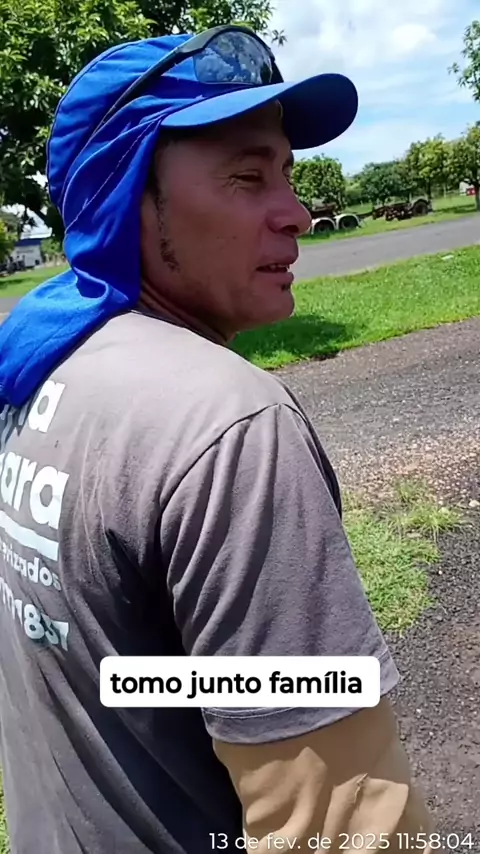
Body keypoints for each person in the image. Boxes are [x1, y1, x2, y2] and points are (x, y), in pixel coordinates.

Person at [0, 24, 434, 854]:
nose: (297, 213)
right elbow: (340, 830)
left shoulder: (36, 366)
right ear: (127, 197)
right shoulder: (230, 428)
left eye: (288, 174)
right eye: (247, 177)